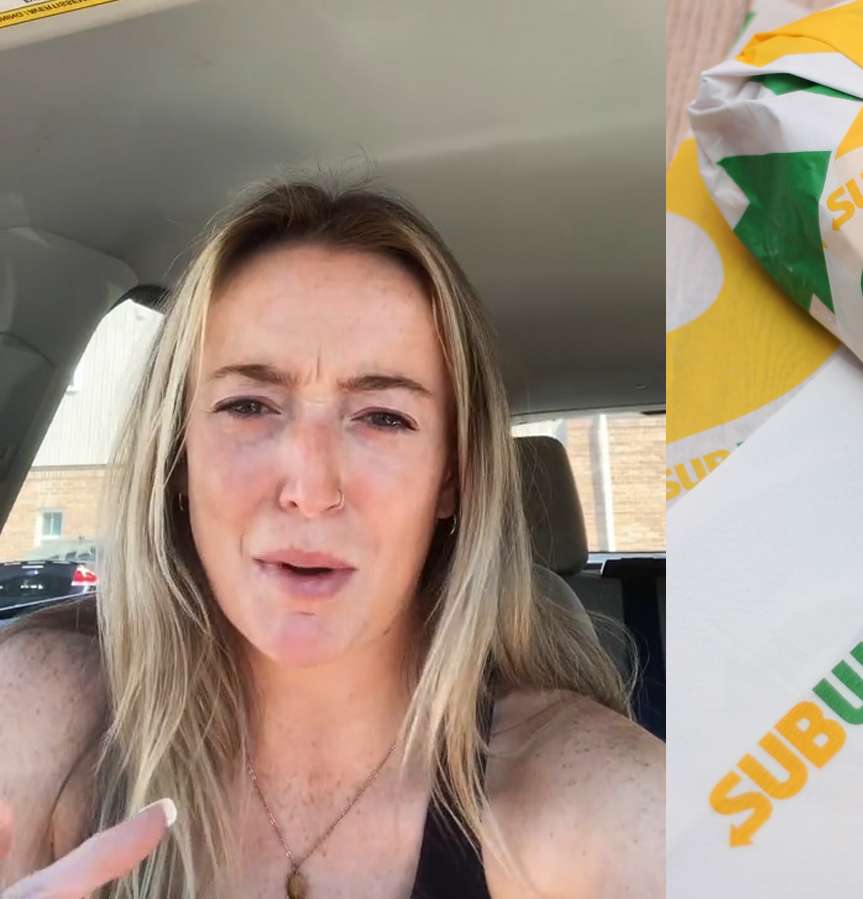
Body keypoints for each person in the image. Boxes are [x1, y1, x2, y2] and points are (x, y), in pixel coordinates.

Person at [0, 182, 665, 898]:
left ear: (451, 477)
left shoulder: (594, 807)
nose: (310, 488)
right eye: (248, 405)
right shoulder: (43, 711)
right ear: (178, 456)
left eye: (383, 417)